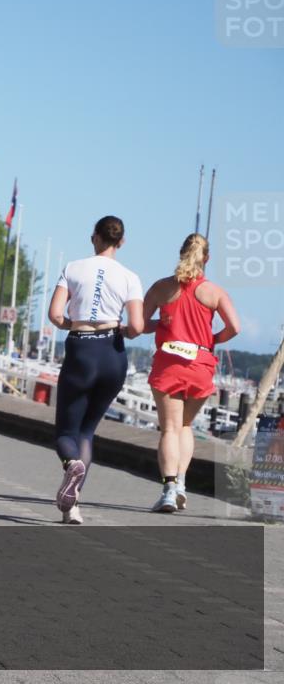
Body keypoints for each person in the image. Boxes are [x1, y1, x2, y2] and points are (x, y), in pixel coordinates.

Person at [47, 216, 144, 524]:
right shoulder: (130, 277)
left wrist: (73, 324)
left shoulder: (73, 268)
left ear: (94, 237)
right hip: (113, 354)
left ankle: (71, 464)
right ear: (122, 242)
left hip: (81, 349)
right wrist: (123, 330)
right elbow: (138, 326)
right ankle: (72, 508)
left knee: (66, 431)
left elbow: (54, 314)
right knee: (87, 431)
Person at [143, 233, 239, 513]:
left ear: (180, 253)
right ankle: (182, 484)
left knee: (169, 429)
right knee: (185, 427)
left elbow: (139, 323)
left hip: (169, 364)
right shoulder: (214, 292)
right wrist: (212, 340)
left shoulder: (161, 288)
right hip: (200, 364)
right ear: (206, 259)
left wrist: (162, 325)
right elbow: (235, 327)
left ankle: (169, 490)